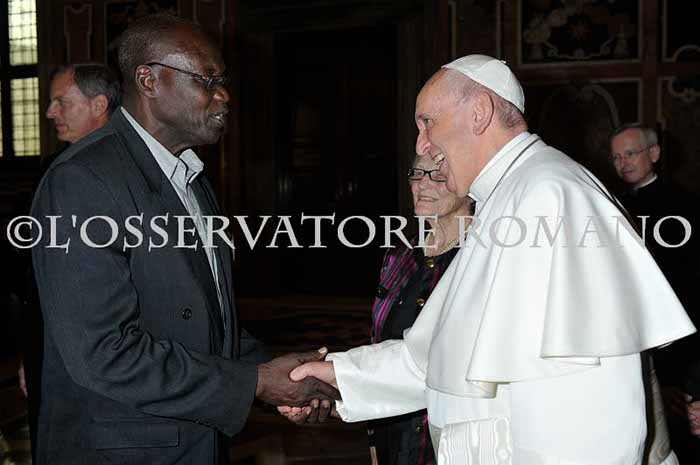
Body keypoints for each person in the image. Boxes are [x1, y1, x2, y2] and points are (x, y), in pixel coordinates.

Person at [281, 55, 695, 465]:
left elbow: (592, 420)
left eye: (427, 122)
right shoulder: (507, 196)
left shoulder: (550, 194)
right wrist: (335, 375)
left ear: (479, 112)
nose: (422, 145)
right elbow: (435, 356)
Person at [30, 15, 337, 465]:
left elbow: (197, 322)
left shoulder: (190, 178)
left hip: (193, 442)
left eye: (222, 81)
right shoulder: (82, 180)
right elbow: (103, 353)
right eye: (208, 80)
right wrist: (255, 383)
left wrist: (287, 373)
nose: (223, 96)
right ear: (149, 80)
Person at [16, 62, 121, 464]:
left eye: (61, 102)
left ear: (99, 104)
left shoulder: (128, 171)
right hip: (51, 346)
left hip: (107, 361)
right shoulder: (53, 167)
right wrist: (34, 352)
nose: (50, 112)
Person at [368, 156, 473, 465]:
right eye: (417, 173)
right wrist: (374, 437)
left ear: (471, 189)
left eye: (438, 174)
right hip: (394, 432)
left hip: (451, 438)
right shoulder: (398, 255)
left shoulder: (480, 258)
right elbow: (378, 343)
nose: (423, 183)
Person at [610, 124, 700, 463]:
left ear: (654, 153)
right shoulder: (610, 204)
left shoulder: (686, 206)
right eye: (616, 157)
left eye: (630, 153)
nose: (623, 163)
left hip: (682, 343)